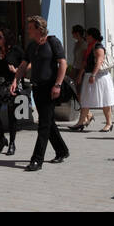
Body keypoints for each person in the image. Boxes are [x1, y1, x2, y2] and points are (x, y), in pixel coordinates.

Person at [11, 15, 70, 171]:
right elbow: (23, 65)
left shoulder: (53, 42)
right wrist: (15, 80)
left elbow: (63, 64)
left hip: (50, 88)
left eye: (30, 27)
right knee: (48, 121)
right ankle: (62, 150)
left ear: (39, 28)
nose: (28, 30)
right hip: (37, 88)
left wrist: (57, 85)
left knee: (43, 124)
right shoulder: (31, 46)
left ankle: (37, 160)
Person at [81, 26, 114, 133]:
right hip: (92, 75)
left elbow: (99, 61)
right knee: (85, 99)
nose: (85, 37)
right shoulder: (90, 46)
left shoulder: (98, 46)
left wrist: (93, 75)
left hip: (100, 76)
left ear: (91, 36)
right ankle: (82, 120)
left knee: (105, 100)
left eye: (86, 35)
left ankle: (109, 123)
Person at [70, 27, 97, 131]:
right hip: (76, 69)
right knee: (77, 94)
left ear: (77, 33)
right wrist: (72, 70)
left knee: (80, 95)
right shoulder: (76, 44)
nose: (72, 35)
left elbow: (84, 61)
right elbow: (76, 59)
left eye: (73, 33)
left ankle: (87, 116)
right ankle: (88, 115)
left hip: (82, 71)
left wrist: (80, 74)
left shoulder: (85, 45)